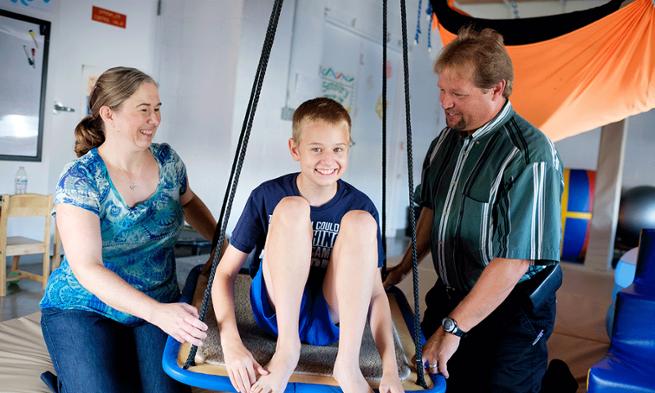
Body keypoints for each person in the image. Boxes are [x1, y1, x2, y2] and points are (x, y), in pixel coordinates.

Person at [384, 27, 563, 393]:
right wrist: (401, 269)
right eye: (442, 91)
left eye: (458, 94)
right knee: (435, 385)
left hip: (511, 314)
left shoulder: (530, 156)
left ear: (496, 89)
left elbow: (513, 262)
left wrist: (453, 329)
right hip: (450, 296)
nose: (445, 103)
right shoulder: (446, 141)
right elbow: (431, 213)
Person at [40, 67, 216, 393]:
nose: (155, 119)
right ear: (110, 114)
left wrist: (222, 244)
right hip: (83, 306)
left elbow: (189, 201)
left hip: (156, 298)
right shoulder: (80, 178)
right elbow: (87, 268)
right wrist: (159, 314)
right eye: (144, 110)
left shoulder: (169, 162)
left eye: (158, 109)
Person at [211, 97, 404, 393]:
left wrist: (390, 368)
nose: (329, 160)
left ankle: (347, 364)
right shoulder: (266, 195)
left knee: (362, 221)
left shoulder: (360, 205)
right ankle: (287, 350)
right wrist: (231, 342)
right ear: (295, 149)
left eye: (338, 149)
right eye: (316, 149)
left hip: (330, 318)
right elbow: (223, 274)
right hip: (277, 313)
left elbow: (376, 293)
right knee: (290, 208)